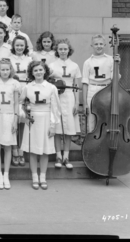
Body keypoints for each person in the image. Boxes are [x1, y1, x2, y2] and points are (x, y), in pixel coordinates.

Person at [20, 61, 61, 190]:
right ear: (32, 72)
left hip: (46, 119)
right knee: (33, 150)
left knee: (45, 151)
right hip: (32, 120)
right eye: (35, 70)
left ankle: (42, 176)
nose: (38, 72)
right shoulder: (27, 87)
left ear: (45, 71)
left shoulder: (51, 87)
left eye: (40, 70)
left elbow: (55, 108)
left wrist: (53, 125)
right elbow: (20, 103)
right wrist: (24, 116)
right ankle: (34, 177)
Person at [0, 58, 20, 189]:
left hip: (9, 116)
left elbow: (17, 103)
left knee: (8, 147)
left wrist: (16, 120)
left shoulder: (15, 83)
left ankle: (6, 174)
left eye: (7, 69)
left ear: (10, 70)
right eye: (2, 69)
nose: (5, 72)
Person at [49, 38, 82, 170]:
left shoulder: (74, 66)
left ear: (69, 50)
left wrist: (77, 102)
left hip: (69, 97)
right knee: (57, 128)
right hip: (56, 96)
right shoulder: (51, 66)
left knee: (68, 129)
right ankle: (58, 156)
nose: (63, 51)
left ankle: (66, 157)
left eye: (65, 49)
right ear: (57, 50)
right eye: (60, 49)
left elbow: (76, 85)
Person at [82, 34, 121, 133]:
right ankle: (92, 143)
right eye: (96, 44)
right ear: (92, 46)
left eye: (101, 44)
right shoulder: (87, 62)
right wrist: (85, 103)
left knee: (106, 116)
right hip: (92, 89)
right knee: (92, 117)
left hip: (107, 89)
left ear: (104, 45)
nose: (99, 46)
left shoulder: (110, 59)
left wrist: (117, 65)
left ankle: (105, 142)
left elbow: (116, 79)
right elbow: (85, 83)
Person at [8, 35, 33, 167]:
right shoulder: (8, 59)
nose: (19, 47)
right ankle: (13, 150)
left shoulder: (29, 59)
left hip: (25, 91)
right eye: (17, 45)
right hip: (12, 92)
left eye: (21, 45)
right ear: (13, 46)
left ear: (25, 46)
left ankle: (21, 151)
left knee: (23, 121)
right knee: (13, 122)